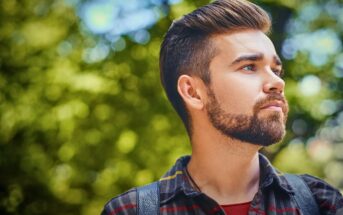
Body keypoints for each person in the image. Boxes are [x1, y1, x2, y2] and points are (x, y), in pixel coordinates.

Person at [101, 0, 343, 214]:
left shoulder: (320, 203)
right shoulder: (130, 211)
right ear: (193, 92)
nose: (277, 82)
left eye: (276, 70)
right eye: (249, 66)